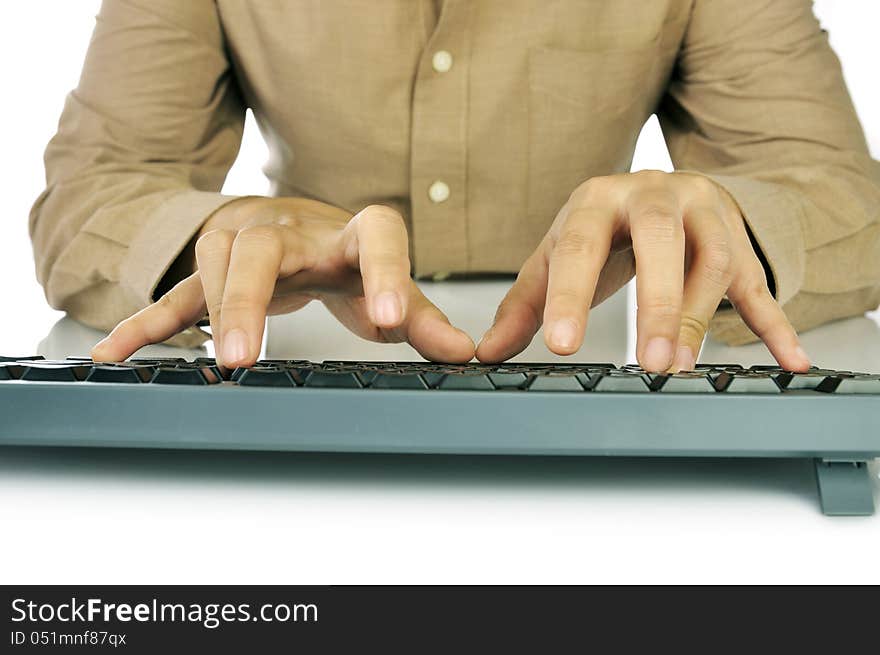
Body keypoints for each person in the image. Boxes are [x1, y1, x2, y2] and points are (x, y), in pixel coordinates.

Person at [30, 0, 880, 373]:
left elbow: (846, 195)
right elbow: (89, 194)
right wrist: (229, 235)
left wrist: (729, 222)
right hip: (298, 356)